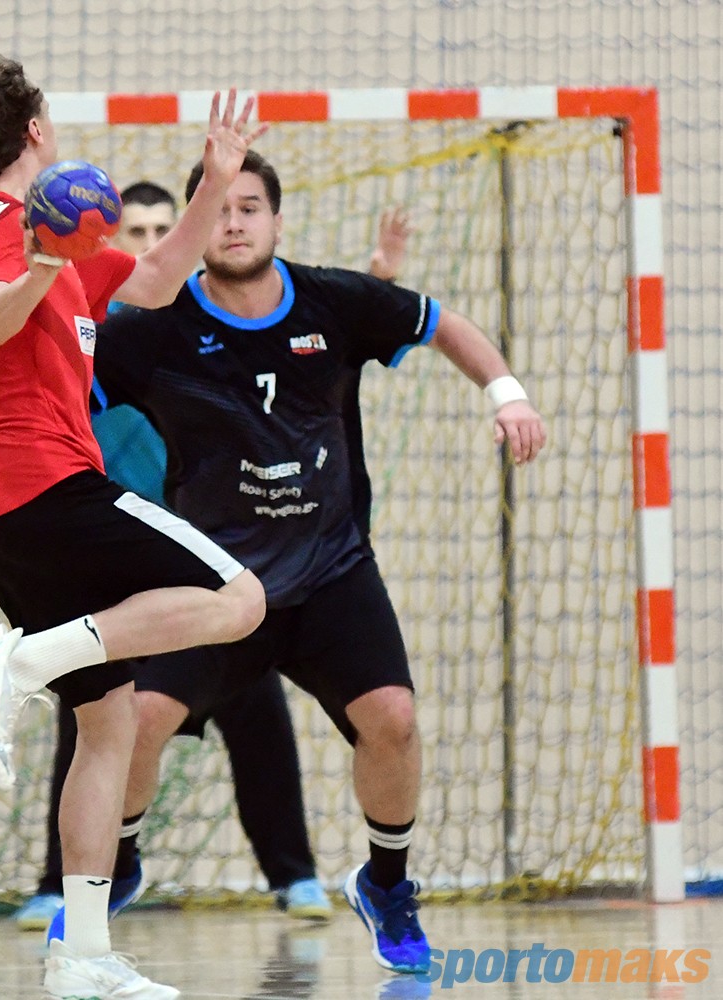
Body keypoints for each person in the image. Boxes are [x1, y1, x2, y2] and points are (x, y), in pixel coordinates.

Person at [0, 185, 417, 930]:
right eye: (136, 234)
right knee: (99, 715)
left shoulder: (187, 339)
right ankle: (69, 882)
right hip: (122, 558)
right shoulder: (99, 343)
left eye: (160, 232)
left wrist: (378, 284)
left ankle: (295, 876)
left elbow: (299, 359)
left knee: (258, 719)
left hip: (203, 567)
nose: (149, 247)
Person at [91, 150, 546, 977]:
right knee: (139, 719)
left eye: (250, 207)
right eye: (217, 209)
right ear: (195, 225)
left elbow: (443, 324)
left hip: (333, 572)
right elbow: (59, 388)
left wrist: (506, 392)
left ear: (277, 219)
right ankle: (118, 862)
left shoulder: (333, 300)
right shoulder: (152, 332)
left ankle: (387, 886)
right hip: (218, 588)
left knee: (394, 720)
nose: (234, 222)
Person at [0, 54, 266, 1000]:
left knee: (108, 721)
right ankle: (18, 661)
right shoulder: (3, 223)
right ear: (36, 130)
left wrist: (214, 181)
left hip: (6, 507)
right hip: (39, 488)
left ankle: (81, 953)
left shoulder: (60, 240)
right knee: (239, 597)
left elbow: (157, 279)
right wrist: (41, 263)